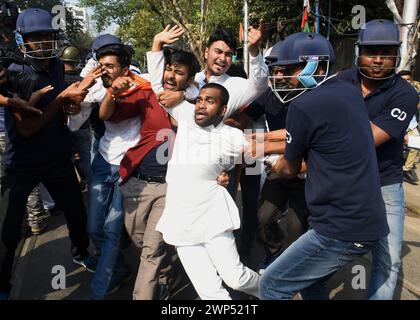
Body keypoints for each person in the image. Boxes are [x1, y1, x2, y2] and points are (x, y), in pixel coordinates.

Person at [258, 32, 389, 300]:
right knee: (309, 283)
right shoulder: (348, 91)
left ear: (315, 66)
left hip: (339, 228)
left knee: (271, 285)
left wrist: (270, 162)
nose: (284, 78)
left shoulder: (304, 105)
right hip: (361, 220)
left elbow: (289, 169)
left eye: (290, 69)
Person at [0, 8, 99, 300]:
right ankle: (4, 283)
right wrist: (61, 100)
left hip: (57, 156)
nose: (43, 41)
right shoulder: (16, 73)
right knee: (9, 230)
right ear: (22, 40)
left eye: (47, 35)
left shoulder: (56, 65)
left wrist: (71, 104)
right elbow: (28, 128)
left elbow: (61, 111)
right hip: (22, 162)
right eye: (35, 36)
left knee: (77, 214)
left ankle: (81, 253)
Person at [337, 19, 419, 300]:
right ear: (360, 52)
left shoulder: (405, 93)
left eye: (386, 52)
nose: (378, 59)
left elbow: (366, 140)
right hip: (342, 183)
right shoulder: (342, 81)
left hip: (384, 185)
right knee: (328, 251)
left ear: (396, 55)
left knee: (389, 259)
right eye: (372, 51)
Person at [227, 40, 309, 267]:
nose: (280, 75)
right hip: (278, 168)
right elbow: (241, 120)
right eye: (276, 70)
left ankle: (289, 267)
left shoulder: (313, 98)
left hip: (307, 170)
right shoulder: (270, 97)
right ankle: (273, 253)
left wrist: (264, 142)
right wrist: (217, 123)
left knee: (296, 225)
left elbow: (298, 137)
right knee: (262, 218)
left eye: (286, 70)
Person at [83, 36, 138, 300]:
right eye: (101, 65)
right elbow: (81, 114)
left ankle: (97, 293)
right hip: (102, 162)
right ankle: (121, 269)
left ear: (125, 68)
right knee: (94, 228)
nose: (105, 70)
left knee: (111, 230)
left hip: (128, 167)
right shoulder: (97, 87)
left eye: (110, 66)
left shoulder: (140, 84)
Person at [60, 45, 92, 186]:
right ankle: (92, 185)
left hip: (62, 126)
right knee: (86, 157)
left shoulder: (58, 81)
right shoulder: (83, 81)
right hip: (83, 127)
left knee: (65, 160)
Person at [397, 70, 420, 185]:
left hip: (411, 124)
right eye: (403, 80)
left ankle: (406, 169)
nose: (406, 82)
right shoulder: (392, 92)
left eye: (408, 80)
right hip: (396, 124)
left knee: (415, 145)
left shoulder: (415, 92)